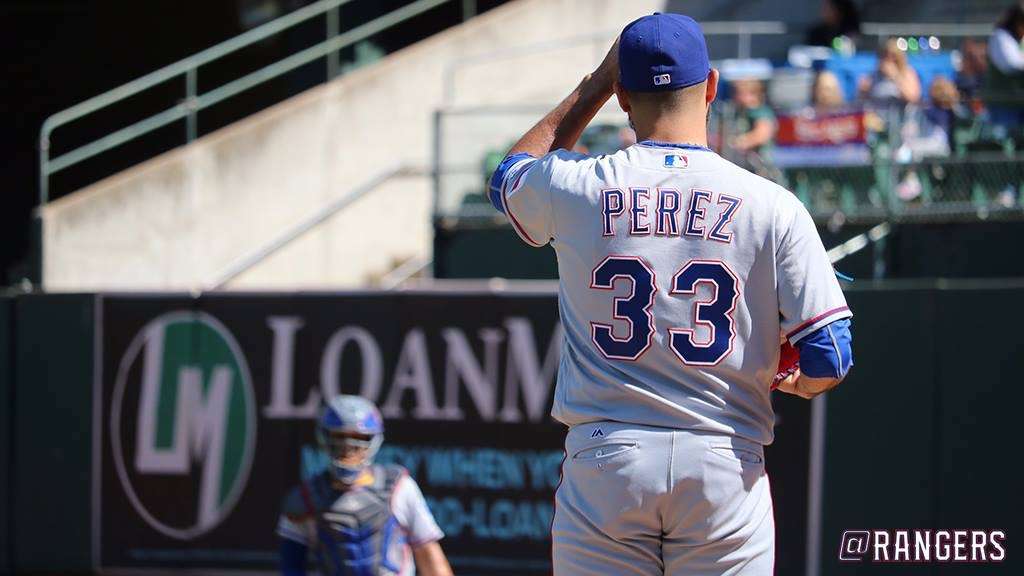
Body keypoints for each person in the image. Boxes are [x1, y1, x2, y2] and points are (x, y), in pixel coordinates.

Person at [487, 13, 853, 575]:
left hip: (608, 458)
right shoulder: (772, 204)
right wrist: (791, 378)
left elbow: (509, 175)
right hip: (723, 457)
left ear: (624, 100)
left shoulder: (578, 186)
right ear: (710, 86)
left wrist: (593, 85)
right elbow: (831, 354)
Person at [277, 395, 453, 576]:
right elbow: (291, 568)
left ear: (373, 440)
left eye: (358, 438)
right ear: (324, 437)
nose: (348, 447)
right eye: (340, 437)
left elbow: (431, 558)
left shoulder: (400, 488)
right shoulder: (303, 499)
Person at [984, 3, 1024, 135]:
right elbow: (1011, 64)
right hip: (1003, 105)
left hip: (1018, 104)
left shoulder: (1018, 40)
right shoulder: (1000, 37)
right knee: (1004, 146)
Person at [858, 38, 922, 109]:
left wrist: (895, 76)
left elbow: (913, 98)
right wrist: (863, 90)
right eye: (884, 56)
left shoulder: (907, 73)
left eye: (893, 56)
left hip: (901, 116)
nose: (888, 60)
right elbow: (863, 101)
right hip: (878, 116)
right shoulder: (873, 75)